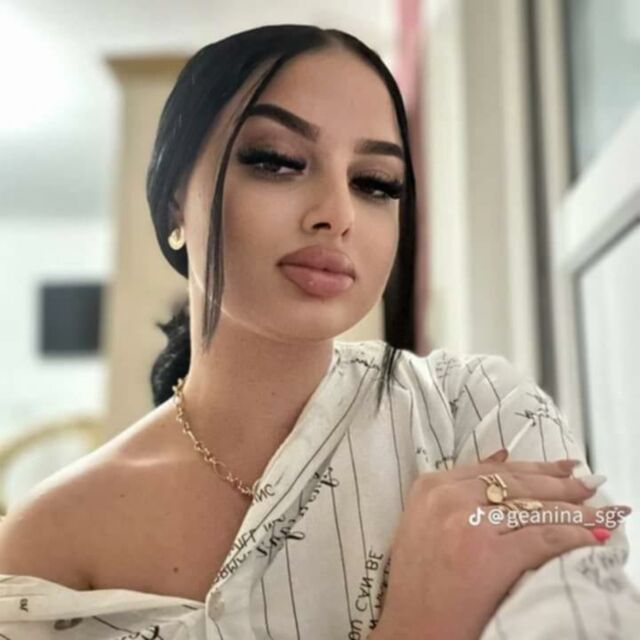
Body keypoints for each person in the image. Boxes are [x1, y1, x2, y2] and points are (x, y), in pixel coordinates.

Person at [0, 23, 638, 640]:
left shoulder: (475, 411)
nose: (337, 214)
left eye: (375, 184)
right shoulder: (47, 544)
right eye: (277, 162)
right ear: (174, 204)